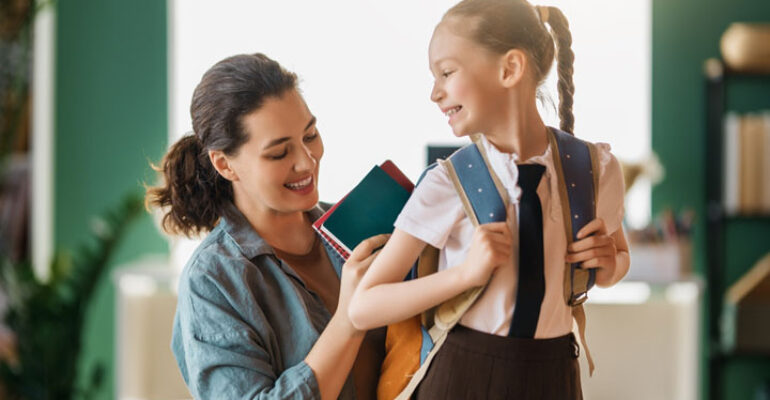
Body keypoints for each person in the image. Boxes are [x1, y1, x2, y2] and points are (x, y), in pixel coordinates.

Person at [348, 1, 630, 398]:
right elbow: (363, 307)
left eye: (447, 72)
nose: (434, 93)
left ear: (509, 69)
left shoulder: (594, 170)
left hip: (555, 379)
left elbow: (619, 258)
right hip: (461, 378)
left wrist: (609, 265)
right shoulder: (447, 182)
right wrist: (465, 274)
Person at [146, 53, 385, 400]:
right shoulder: (213, 281)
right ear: (225, 164)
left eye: (310, 135)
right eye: (279, 153)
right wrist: (349, 320)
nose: (306, 161)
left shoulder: (356, 225)